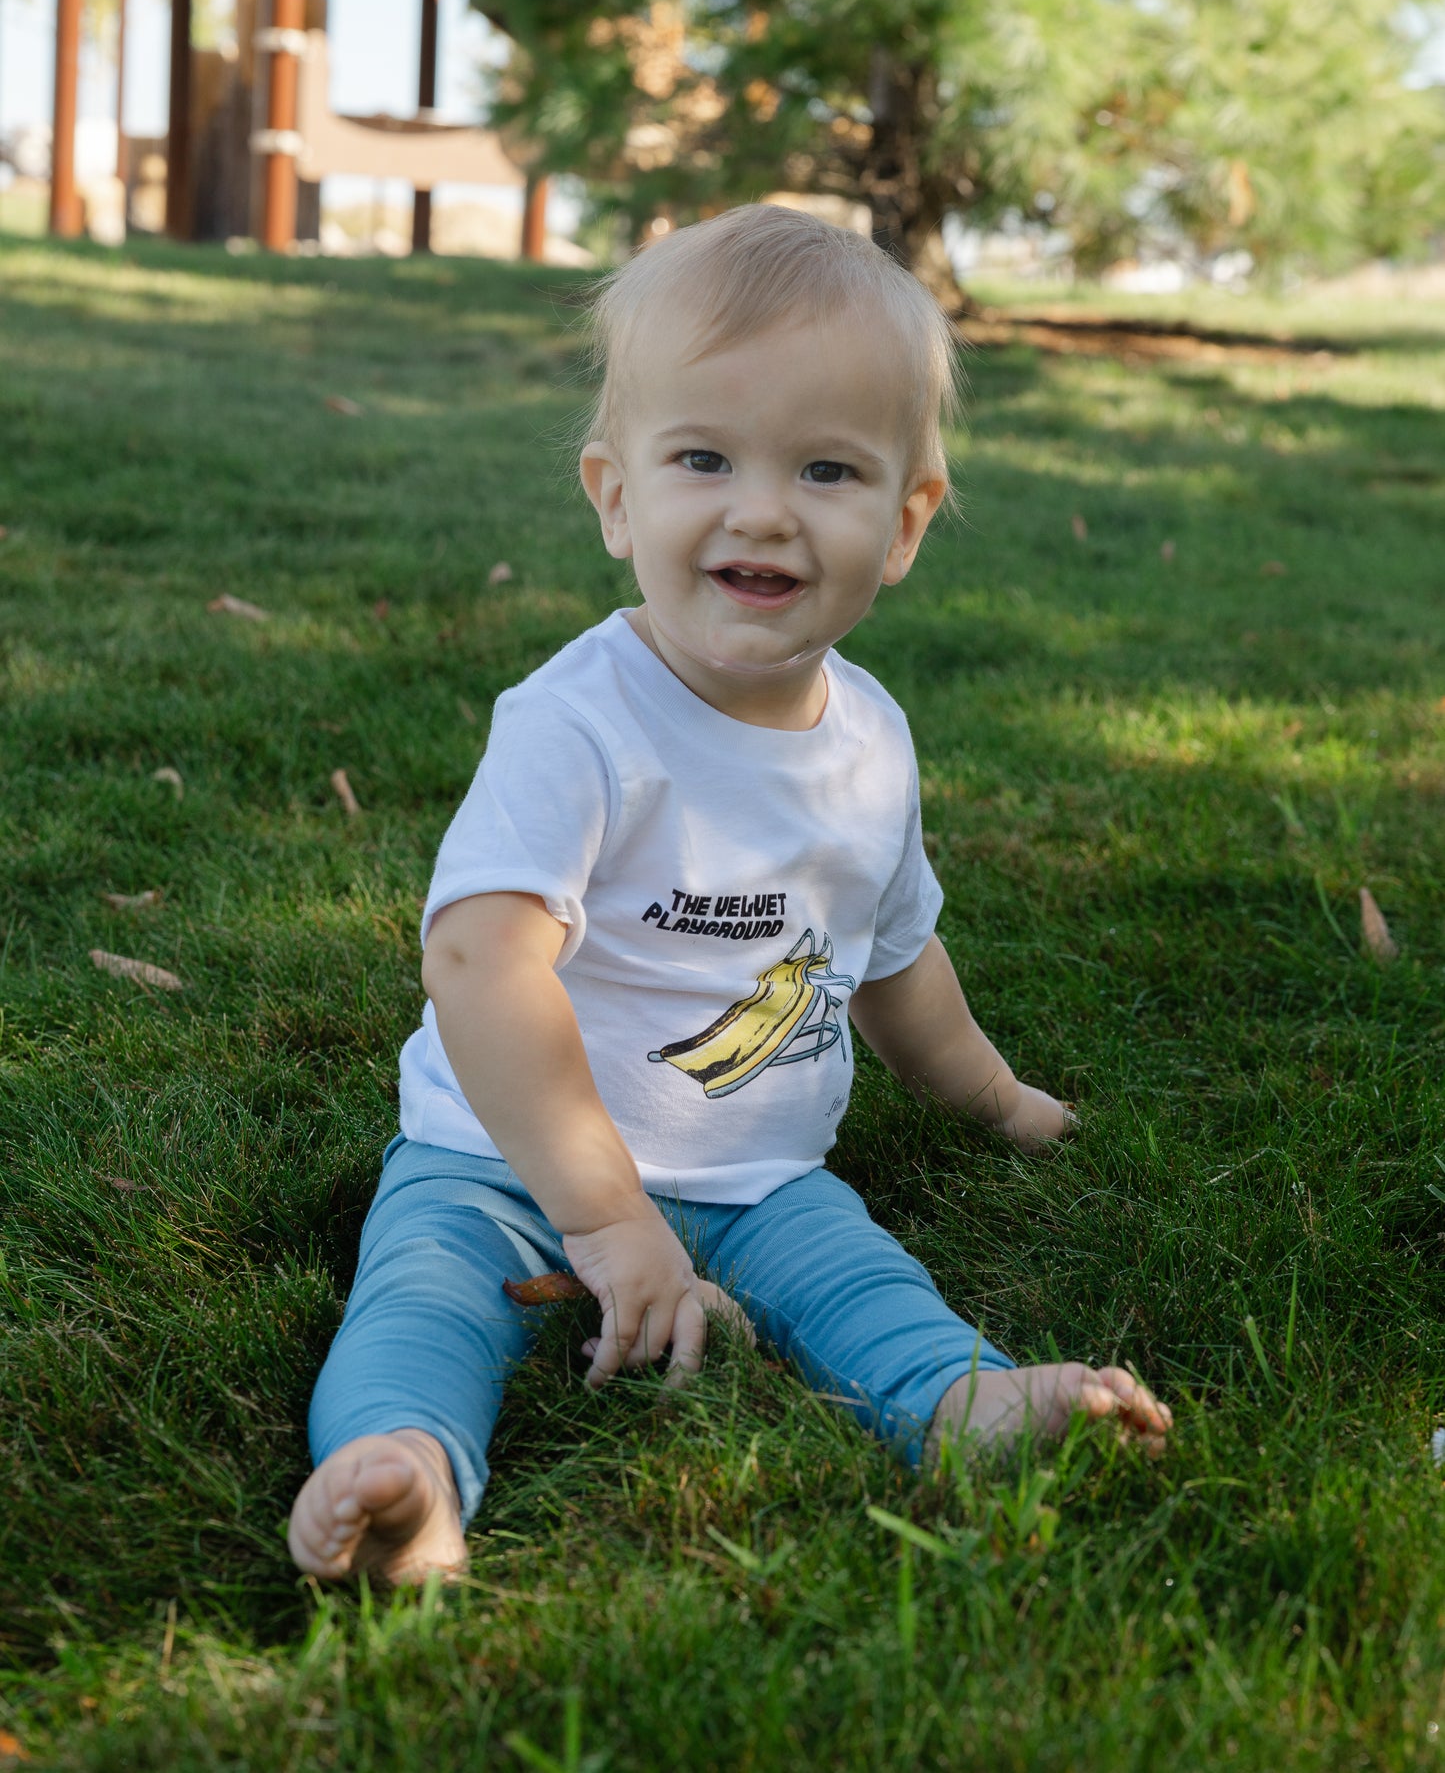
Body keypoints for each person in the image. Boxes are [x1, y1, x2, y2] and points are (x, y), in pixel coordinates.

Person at [288, 205, 1171, 1585]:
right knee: (422, 1304)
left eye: (826, 469)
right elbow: (481, 965)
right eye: (703, 457)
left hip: (758, 1178)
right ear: (616, 495)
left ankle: (964, 1401)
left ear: (905, 520)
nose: (760, 507)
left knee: (864, 1284)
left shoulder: (868, 737)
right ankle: (403, 1475)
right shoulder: (579, 725)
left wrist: (996, 1102)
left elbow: (890, 955)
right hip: (502, 1167)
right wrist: (602, 1216)